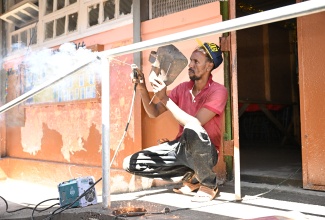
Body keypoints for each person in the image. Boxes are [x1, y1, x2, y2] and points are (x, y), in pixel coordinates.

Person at [123, 41, 228, 202]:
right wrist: (143, 88)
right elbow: (153, 112)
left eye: (195, 62)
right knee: (131, 163)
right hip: (180, 148)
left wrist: (164, 98)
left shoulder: (218, 91)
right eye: (191, 60)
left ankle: (208, 184)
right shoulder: (181, 89)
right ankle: (192, 177)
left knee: (192, 128)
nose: (190, 65)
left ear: (209, 66)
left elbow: (195, 123)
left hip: (207, 152)